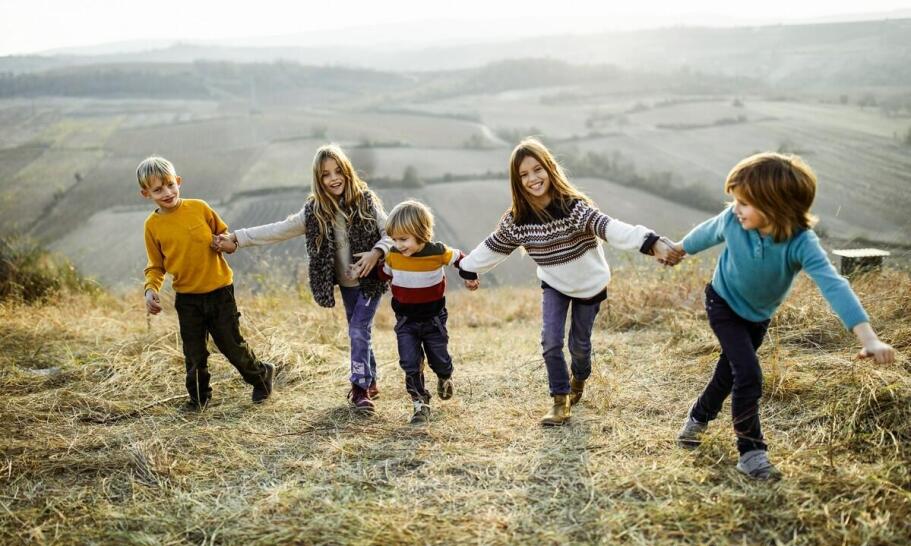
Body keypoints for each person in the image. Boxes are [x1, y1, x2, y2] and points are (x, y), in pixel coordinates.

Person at [673, 152, 896, 480]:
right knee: (748, 373)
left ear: (775, 206)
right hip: (722, 302)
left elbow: (834, 285)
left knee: (730, 371)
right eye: (735, 200)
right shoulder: (732, 220)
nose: (735, 208)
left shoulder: (801, 242)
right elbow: (704, 234)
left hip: (757, 316)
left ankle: (698, 417)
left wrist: (869, 338)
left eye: (744, 203)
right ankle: (751, 453)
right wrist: (676, 250)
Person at [458, 138, 683, 426]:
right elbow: (493, 246)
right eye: (524, 174)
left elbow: (610, 227)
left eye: (537, 169)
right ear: (517, 181)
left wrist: (651, 242)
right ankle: (560, 400)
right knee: (551, 341)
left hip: (590, 286)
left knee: (579, 346)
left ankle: (580, 377)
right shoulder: (517, 221)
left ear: (549, 168)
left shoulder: (573, 208)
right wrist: (468, 268)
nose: (532, 178)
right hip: (554, 284)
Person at [214, 144, 391, 413]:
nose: (334, 178)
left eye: (338, 171)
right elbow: (277, 230)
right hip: (347, 285)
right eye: (325, 174)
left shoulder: (365, 201)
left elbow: (391, 231)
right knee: (359, 330)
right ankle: (371, 380)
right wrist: (237, 239)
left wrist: (376, 253)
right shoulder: (314, 212)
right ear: (318, 180)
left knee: (358, 329)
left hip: (370, 281)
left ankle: (359, 389)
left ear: (347, 171)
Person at [139, 156, 274, 411]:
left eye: (170, 185)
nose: (167, 193)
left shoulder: (199, 208)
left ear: (178, 181)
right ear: (146, 193)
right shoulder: (152, 226)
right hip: (187, 299)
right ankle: (199, 399)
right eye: (158, 189)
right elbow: (156, 266)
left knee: (231, 345)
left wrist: (225, 244)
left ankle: (261, 376)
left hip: (220, 292)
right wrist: (150, 289)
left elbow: (226, 237)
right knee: (194, 353)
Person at [365, 200, 479, 424]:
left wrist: (470, 276)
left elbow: (460, 258)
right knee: (409, 363)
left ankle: (444, 376)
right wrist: (364, 272)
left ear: (421, 233)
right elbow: (383, 274)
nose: (398, 245)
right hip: (405, 320)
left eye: (403, 239)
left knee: (440, 360)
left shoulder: (437, 251)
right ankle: (420, 402)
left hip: (433, 319)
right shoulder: (393, 255)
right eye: (394, 239)